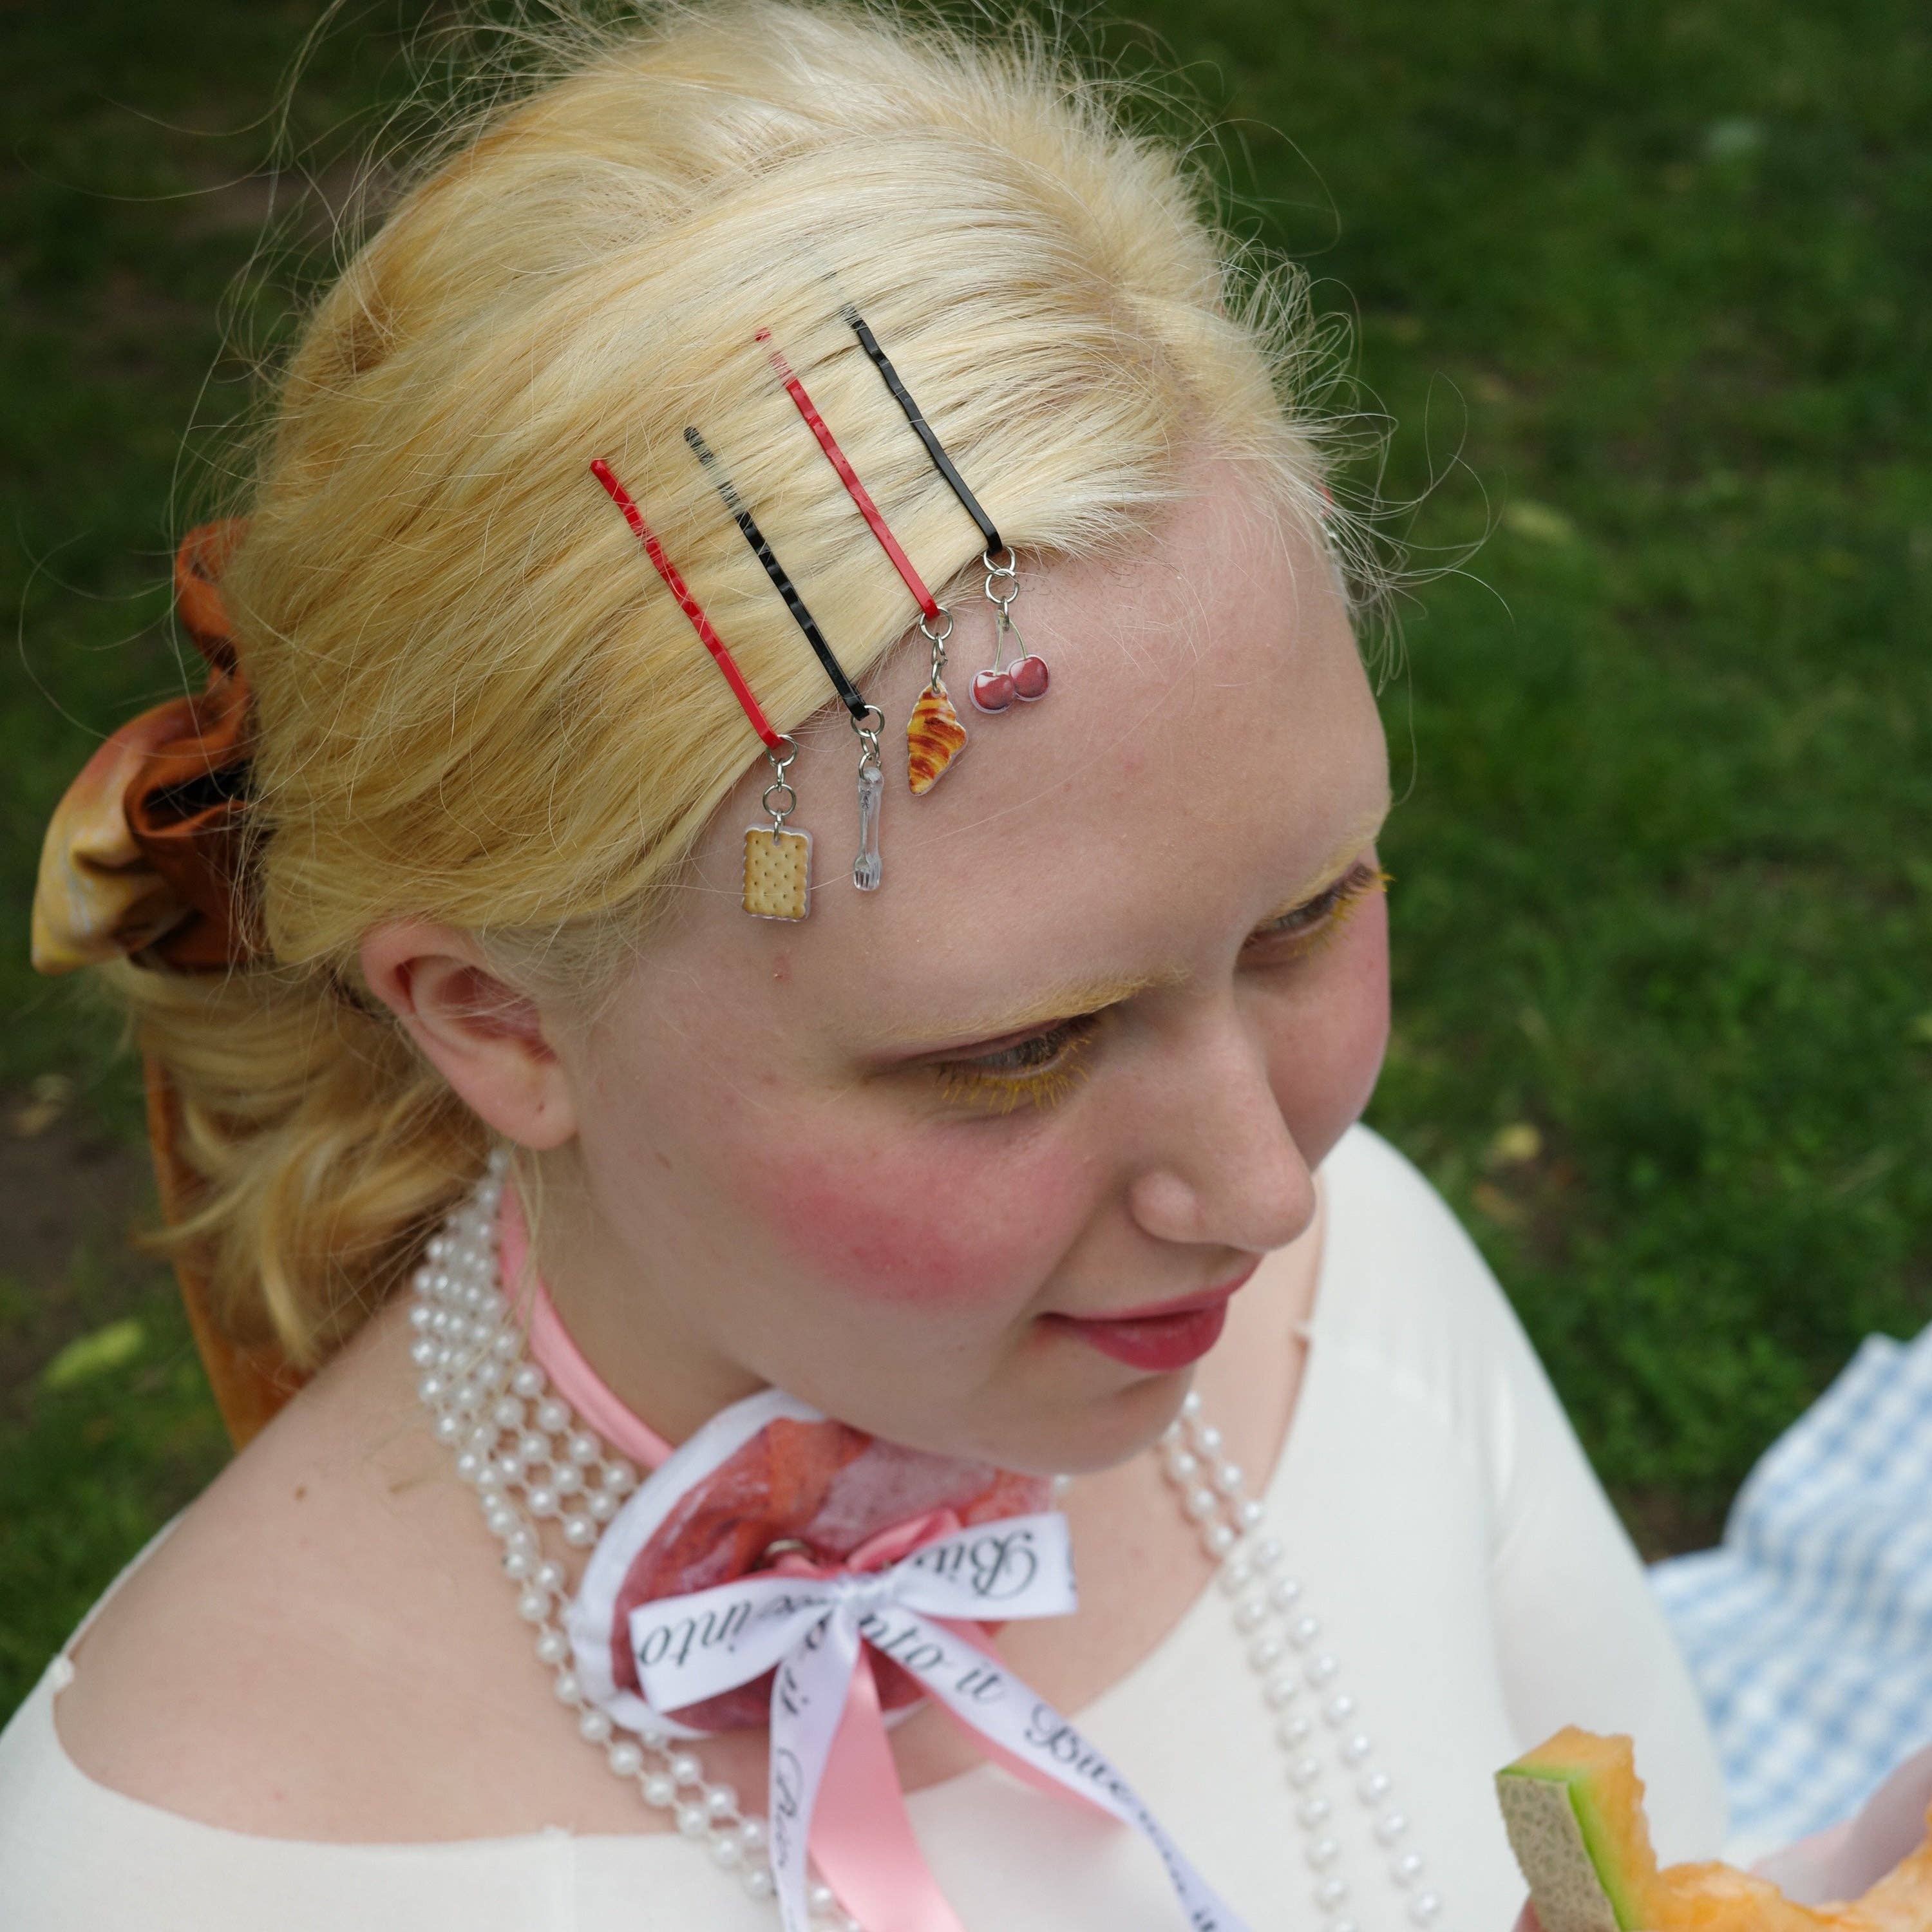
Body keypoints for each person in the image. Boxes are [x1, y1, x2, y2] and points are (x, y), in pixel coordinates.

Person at [0, 5, 1736, 1926]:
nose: (1264, 1191)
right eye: (1020, 1048)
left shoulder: (1363, 1309)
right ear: (490, 1016)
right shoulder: (174, 1871)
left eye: (1310, 917)